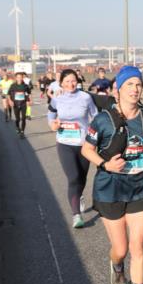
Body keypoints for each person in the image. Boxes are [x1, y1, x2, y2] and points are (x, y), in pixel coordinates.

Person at [81, 66, 143, 284]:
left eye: (138, 84)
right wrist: (105, 164)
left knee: (138, 246)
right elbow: (86, 149)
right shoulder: (103, 120)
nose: (135, 89)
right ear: (117, 89)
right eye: (129, 84)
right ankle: (117, 267)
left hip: (140, 187)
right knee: (121, 249)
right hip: (110, 188)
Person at [48, 69, 98, 229]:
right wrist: (53, 125)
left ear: (78, 81)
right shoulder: (57, 98)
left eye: (73, 81)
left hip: (84, 144)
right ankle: (76, 215)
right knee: (73, 177)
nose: (71, 84)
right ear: (61, 83)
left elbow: (95, 116)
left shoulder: (85, 97)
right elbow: (51, 114)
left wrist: (95, 133)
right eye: (67, 81)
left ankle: (78, 195)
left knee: (82, 178)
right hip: (64, 143)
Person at [7, 72, 33, 138]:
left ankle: (22, 132)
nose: (19, 78)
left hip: (23, 103)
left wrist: (30, 100)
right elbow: (8, 94)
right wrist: (10, 101)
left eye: (21, 77)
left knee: (23, 118)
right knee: (17, 119)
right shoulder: (13, 85)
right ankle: (17, 127)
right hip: (15, 104)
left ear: (22, 78)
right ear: (16, 78)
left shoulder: (25, 86)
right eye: (18, 77)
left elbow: (29, 93)